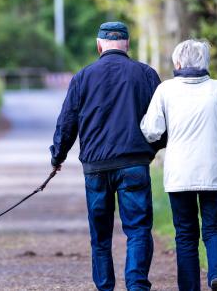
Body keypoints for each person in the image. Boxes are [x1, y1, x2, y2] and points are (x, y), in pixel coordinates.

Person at [50, 21, 164, 291]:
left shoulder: (82, 77)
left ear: (98, 45)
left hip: (96, 168)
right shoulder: (146, 75)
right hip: (134, 164)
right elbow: (162, 122)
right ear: (127, 45)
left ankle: (105, 287)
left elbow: (67, 123)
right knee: (137, 230)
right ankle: (136, 286)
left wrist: (58, 157)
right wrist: (150, 151)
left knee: (100, 235)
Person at [140, 39, 217, 291]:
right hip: (214, 170)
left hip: (179, 174)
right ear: (205, 62)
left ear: (177, 62)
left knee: (185, 235)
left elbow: (152, 130)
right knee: (216, 228)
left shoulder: (166, 90)